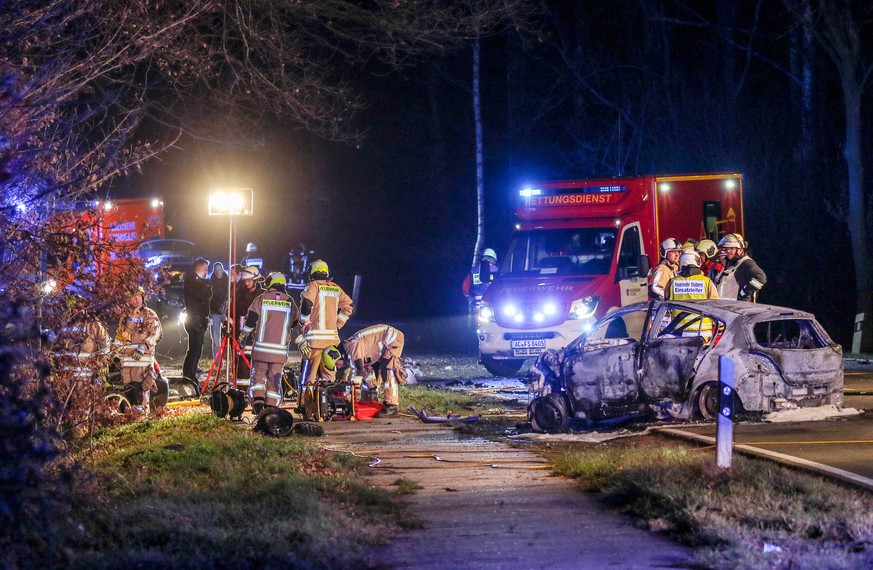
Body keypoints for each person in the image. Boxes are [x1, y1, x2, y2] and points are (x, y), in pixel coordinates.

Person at [239, 272, 299, 415]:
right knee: (274, 378)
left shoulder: (262, 299)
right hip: (279, 351)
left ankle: (258, 403)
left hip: (261, 348)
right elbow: (295, 322)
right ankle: (271, 408)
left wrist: (243, 335)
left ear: (269, 284)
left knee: (258, 376)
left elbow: (251, 320)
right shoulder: (289, 301)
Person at [295, 260, 354, 388]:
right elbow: (349, 306)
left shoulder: (313, 286)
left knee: (309, 378)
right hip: (332, 342)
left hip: (314, 343)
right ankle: (328, 404)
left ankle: (306, 405)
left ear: (311, 272)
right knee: (329, 377)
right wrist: (338, 324)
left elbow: (306, 304)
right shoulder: (335, 287)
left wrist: (304, 321)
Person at [113, 287, 162, 411]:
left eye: (139, 296)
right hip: (127, 361)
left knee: (140, 388)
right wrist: (113, 351)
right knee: (129, 390)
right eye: (133, 296)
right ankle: (132, 416)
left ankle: (141, 418)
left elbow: (156, 334)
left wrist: (143, 347)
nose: (136, 299)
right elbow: (120, 336)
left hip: (142, 359)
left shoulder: (149, 314)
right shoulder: (125, 317)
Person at [341, 324, 406, 416]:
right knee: (374, 368)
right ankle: (368, 398)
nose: (339, 367)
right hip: (383, 343)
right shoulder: (349, 350)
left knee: (387, 369)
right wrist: (372, 389)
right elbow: (366, 370)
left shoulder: (351, 346)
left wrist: (353, 391)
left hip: (392, 339)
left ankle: (391, 406)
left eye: (336, 365)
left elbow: (359, 369)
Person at [53, 294, 111, 382]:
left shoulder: (93, 325)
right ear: (70, 310)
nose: (81, 311)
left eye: (83, 307)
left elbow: (105, 342)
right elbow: (59, 347)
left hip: (89, 370)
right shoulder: (65, 327)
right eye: (77, 308)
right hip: (69, 371)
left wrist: (103, 361)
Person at [182, 258, 211, 382]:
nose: (206, 271)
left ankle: (192, 371)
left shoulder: (196, 281)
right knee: (194, 349)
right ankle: (189, 375)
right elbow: (204, 295)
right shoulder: (193, 281)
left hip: (198, 320)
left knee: (196, 349)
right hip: (195, 321)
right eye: (205, 269)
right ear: (199, 268)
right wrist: (208, 286)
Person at [716, 233, 766, 302]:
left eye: (732, 248)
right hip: (728, 308)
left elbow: (761, 277)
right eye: (727, 248)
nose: (728, 251)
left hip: (739, 309)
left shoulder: (746, 263)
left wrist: (744, 292)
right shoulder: (731, 263)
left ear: (740, 250)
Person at [208, 262, 229, 359]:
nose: (217, 272)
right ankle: (217, 363)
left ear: (222, 269)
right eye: (216, 270)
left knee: (229, 336)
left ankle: (229, 360)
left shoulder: (227, 281)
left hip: (226, 312)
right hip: (214, 312)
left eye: (219, 270)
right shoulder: (210, 282)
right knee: (216, 339)